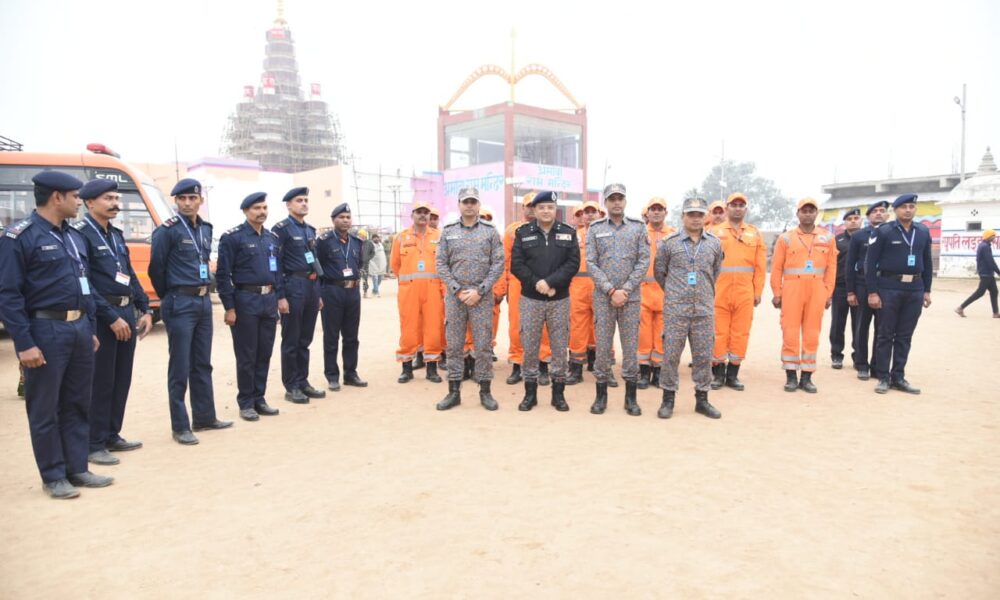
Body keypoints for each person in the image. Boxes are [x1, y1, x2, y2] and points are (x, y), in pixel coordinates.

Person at [0, 171, 112, 498]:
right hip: (44, 329)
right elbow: (8, 295)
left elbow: (85, 286)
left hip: (79, 329)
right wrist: (24, 343)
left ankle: (77, 468)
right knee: (45, 407)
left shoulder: (74, 237)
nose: (79, 201)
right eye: (75, 196)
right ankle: (53, 475)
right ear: (56, 197)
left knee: (77, 402)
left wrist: (90, 328)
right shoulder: (19, 237)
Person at [74, 178, 153, 466]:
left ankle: (111, 434)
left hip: (125, 312)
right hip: (101, 318)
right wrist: (110, 317)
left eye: (116, 199)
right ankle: (93, 443)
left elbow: (129, 275)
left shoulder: (116, 235)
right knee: (101, 381)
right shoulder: (81, 234)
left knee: (121, 379)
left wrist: (145, 308)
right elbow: (85, 283)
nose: (115, 204)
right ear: (89, 202)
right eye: (108, 199)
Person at [150, 178, 232, 445]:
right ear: (175, 201)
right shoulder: (167, 231)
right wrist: (171, 295)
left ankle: (205, 417)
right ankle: (180, 426)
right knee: (180, 366)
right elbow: (156, 269)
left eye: (192, 198)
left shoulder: (206, 229)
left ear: (200, 201)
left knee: (202, 362)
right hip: (180, 301)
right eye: (182, 199)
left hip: (203, 301)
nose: (187, 203)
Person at [216, 192, 287, 422]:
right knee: (247, 355)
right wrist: (229, 307)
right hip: (245, 300)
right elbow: (223, 275)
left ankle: (259, 398)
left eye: (264, 207)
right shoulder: (233, 238)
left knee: (264, 352)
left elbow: (277, 271)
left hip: (268, 300)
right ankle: (246, 402)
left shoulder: (271, 238)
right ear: (246, 211)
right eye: (256, 208)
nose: (261, 212)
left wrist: (280, 297)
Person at [435, 187, 505, 411]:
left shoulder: (490, 232)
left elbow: (498, 263)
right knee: (454, 346)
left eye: (473, 202)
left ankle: (485, 391)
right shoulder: (448, 231)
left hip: (481, 298)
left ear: (478, 205)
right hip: (455, 298)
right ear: (459, 204)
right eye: (465, 202)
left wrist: (480, 290)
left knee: (483, 346)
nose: (469, 205)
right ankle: (453, 392)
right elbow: (441, 264)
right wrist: (457, 290)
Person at [654, 197, 724, 419]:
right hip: (676, 310)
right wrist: (676, 292)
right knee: (671, 356)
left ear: (706, 217)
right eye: (691, 214)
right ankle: (668, 400)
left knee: (703, 356)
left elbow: (715, 272)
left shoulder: (714, 243)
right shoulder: (669, 243)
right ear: (683, 216)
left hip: (703, 310)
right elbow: (660, 273)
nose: (695, 218)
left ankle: (702, 400)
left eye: (700, 214)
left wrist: (701, 292)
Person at [510, 191, 580, 411]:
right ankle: (530, 394)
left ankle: (558, 395)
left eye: (550, 207)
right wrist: (537, 284)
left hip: (559, 299)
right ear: (534, 210)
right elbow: (516, 264)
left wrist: (550, 283)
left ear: (555, 209)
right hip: (531, 298)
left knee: (559, 347)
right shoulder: (523, 233)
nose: (546, 211)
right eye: (541, 207)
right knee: (530, 346)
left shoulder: (568, 232)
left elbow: (573, 263)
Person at [586, 183, 650, 415]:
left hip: (630, 299)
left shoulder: (638, 227)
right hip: (604, 299)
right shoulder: (595, 228)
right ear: (605, 202)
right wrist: (611, 291)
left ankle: (630, 399)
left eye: (619, 198)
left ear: (625, 201)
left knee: (630, 348)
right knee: (603, 348)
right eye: (612, 199)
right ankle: (600, 396)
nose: (616, 202)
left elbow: (644, 260)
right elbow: (591, 262)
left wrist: (626, 290)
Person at [865, 193, 933, 394]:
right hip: (888, 288)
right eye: (904, 207)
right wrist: (872, 292)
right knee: (885, 335)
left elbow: (927, 262)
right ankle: (883, 377)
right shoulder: (883, 231)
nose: (908, 210)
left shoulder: (923, 231)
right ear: (895, 210)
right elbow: (870, 264)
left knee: (905, 336)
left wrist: (927, 290)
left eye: (912, 206)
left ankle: (899, 377)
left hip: (915, 289)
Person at [770, 198, 837, 393]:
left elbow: (831, 268)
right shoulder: (786, 238)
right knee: (789, 331)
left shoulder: (828, 238)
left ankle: (807, 376)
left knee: (812, 332)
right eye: (804, 211)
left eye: (811, 211)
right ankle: (791, 375)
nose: (807, 214)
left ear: (816, 213)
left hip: (817, 289)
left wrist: (828, 293)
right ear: (797, 213)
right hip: (792, 288)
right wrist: (777, 292)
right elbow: (776, 268)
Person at [272, 186, 326, 404]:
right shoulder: (281, 230)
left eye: (305, 200)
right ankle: (291, 386)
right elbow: (275, 264)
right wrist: (280, 296)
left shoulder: (310, 230)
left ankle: (303, 381)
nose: (303, 203)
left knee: (305, 339)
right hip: (292, 285)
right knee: (291, 339)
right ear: (288, 205)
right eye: (299, 201)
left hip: (311, 286)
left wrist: (318, 293)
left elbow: (314, 261)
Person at [708, 192, 767, 391]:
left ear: (746, 209)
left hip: (744, 292)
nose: (737, 208)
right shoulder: (714, 232)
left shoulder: (754, 234)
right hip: (719, 291)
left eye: (741, 205)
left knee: (740, 333)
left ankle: (733, 374)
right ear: (727, 208)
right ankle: (718, 374)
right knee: (718, 332)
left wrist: (758, 291)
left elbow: (760, 266)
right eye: (734, 205)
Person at [316, 203, 368, 391]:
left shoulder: (357, 242)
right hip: (332, 291)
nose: (345, 220)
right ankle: (332, 376)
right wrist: (319, 294)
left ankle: (351, 373)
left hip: (352, 292)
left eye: (348, 217)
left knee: (351, 336)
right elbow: (317, 268)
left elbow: (359, 264)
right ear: (333, 220)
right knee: (331, 336)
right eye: (341, 217)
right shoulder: (323, 241)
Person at [391, 202, 444, 384]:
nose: (422, 215)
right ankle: (406, 369)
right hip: (409, 291)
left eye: (425, 213)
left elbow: (445, 263)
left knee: (433, 329)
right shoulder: (400, 237)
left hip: (433, 290)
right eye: (419, 212)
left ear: (429, 216)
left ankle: (432, 369)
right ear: (412, 215)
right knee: (408, 329)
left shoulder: (439, 236)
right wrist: (408, 283)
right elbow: (395, 265)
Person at [504, 192, 553, 386]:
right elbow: (504, 261)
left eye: (536, 206)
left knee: (544, 325)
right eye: (529, 206)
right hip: (518, 282)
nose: (532, 210)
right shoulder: (512, 231)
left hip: (544, 282)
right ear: (523, 208)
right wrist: (503, 287)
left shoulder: (551, 229)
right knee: (517, 325)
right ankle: (517, 364)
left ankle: (543, 365)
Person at [845, 200, 889, 380]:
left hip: (884, 284)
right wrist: (850, 291)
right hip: (862, 284)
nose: (878, 213)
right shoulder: (859, 236)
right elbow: (850, 265)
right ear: (869, 216)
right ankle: (861, 364)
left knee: (882, 328)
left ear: (887, 215)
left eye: (882, 210)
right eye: (874, 211)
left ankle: (877, 366)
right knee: (861, 326)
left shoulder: (892, 233)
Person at [567, 200, 607, 384]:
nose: (590, 214)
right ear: (581, 215)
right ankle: (576, 369)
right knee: (577, 327)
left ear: (600, 214)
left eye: (593, 211)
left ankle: (603, 368)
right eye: (586, 211)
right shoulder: (573, 236)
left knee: (603, 327)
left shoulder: (607, 235)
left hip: (600, 286)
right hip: (578, 287)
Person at [637, 198, 676, 389]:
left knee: (662, 333)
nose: (656, 212)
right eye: (653, 209)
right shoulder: (639, 233)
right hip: (642, 291)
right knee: (643, 334)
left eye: (660, 209)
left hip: (665, 292)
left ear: (666, 213)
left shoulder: (674, 235)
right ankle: (644, 371)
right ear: (648, 213)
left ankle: (658, 370)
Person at [829, 208, 862, 369]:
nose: (853, 221)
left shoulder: (868, 238)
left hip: (860, 287)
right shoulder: (837, 240)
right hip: (840, 287)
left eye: (856, 218)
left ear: (861, 221)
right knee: (837, 323)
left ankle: (858, 356)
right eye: (849, 219)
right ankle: (836, 355)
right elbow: (830, 265)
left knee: (859, 324)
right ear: (844, 223)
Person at [956, 229, 999, 318]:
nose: (995, 238)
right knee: (980, 292)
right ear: (989, 237)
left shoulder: (984, 245)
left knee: (994, 291)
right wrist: (998, 272)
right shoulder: (985, 247)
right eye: (993, 236)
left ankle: (995, 313)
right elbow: (990, 261)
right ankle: (961, 307)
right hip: (986, 273)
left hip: (988, 273)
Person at [359, 229, 374, 298]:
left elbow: (373, 252)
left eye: (362, 235)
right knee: (356, 279)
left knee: (365, 279)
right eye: (360, 235)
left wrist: (368, 258)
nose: (361, 236)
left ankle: (365, 292)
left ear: (365, 235)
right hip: (357, 264)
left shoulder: (369, 243)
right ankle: (355, 293)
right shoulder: (356, 242)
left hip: (365, 264)